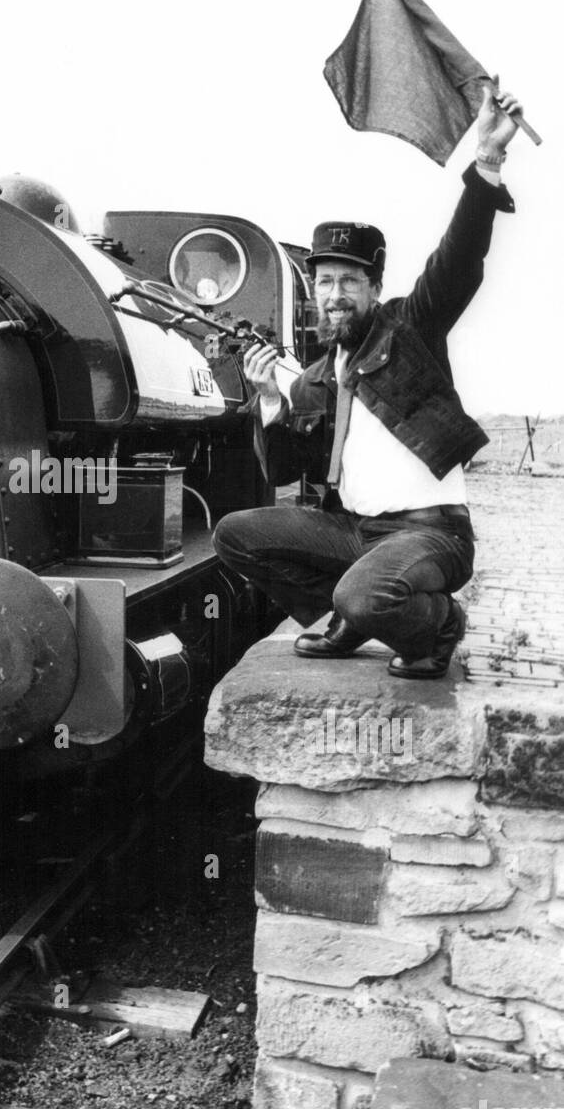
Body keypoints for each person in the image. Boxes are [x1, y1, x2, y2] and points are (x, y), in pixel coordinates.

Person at [213, 82, 524, 679]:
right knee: (237, 535)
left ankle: (436, 627)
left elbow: (459, 259)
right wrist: (272, 404)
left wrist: (487, 161)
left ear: (374, 289)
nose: (335, 296)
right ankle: (348, 619)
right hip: (353, 531)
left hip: (430, 532)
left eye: (349, 283)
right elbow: (282, 471)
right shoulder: (316, 376)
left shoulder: (414, 326)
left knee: (365, 594)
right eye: (324, 283)